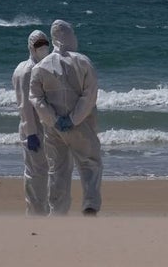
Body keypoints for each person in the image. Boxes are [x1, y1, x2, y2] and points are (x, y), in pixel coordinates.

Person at [29, 19, 102, 216]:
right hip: (81, 125)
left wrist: (53, 120)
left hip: (53, 129)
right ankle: (90, 206)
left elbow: (36, 98)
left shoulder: (41, 67)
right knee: (90, 163)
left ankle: (58, 211)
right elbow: (90, 95)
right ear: (69, 36)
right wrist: (73, 119)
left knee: (58, 169)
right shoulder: (83, 61)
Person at [12, 30, 52, 215]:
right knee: (36, 173)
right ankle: (36, 213)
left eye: (45, 43)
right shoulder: (28, 71)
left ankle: (38, 210)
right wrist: (31, 133)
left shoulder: (36, 67)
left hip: (38, 127)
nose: (43, 47)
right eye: (39, 45)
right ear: (31, 47)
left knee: (38, 172)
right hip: (33, 129)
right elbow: (24, 105)